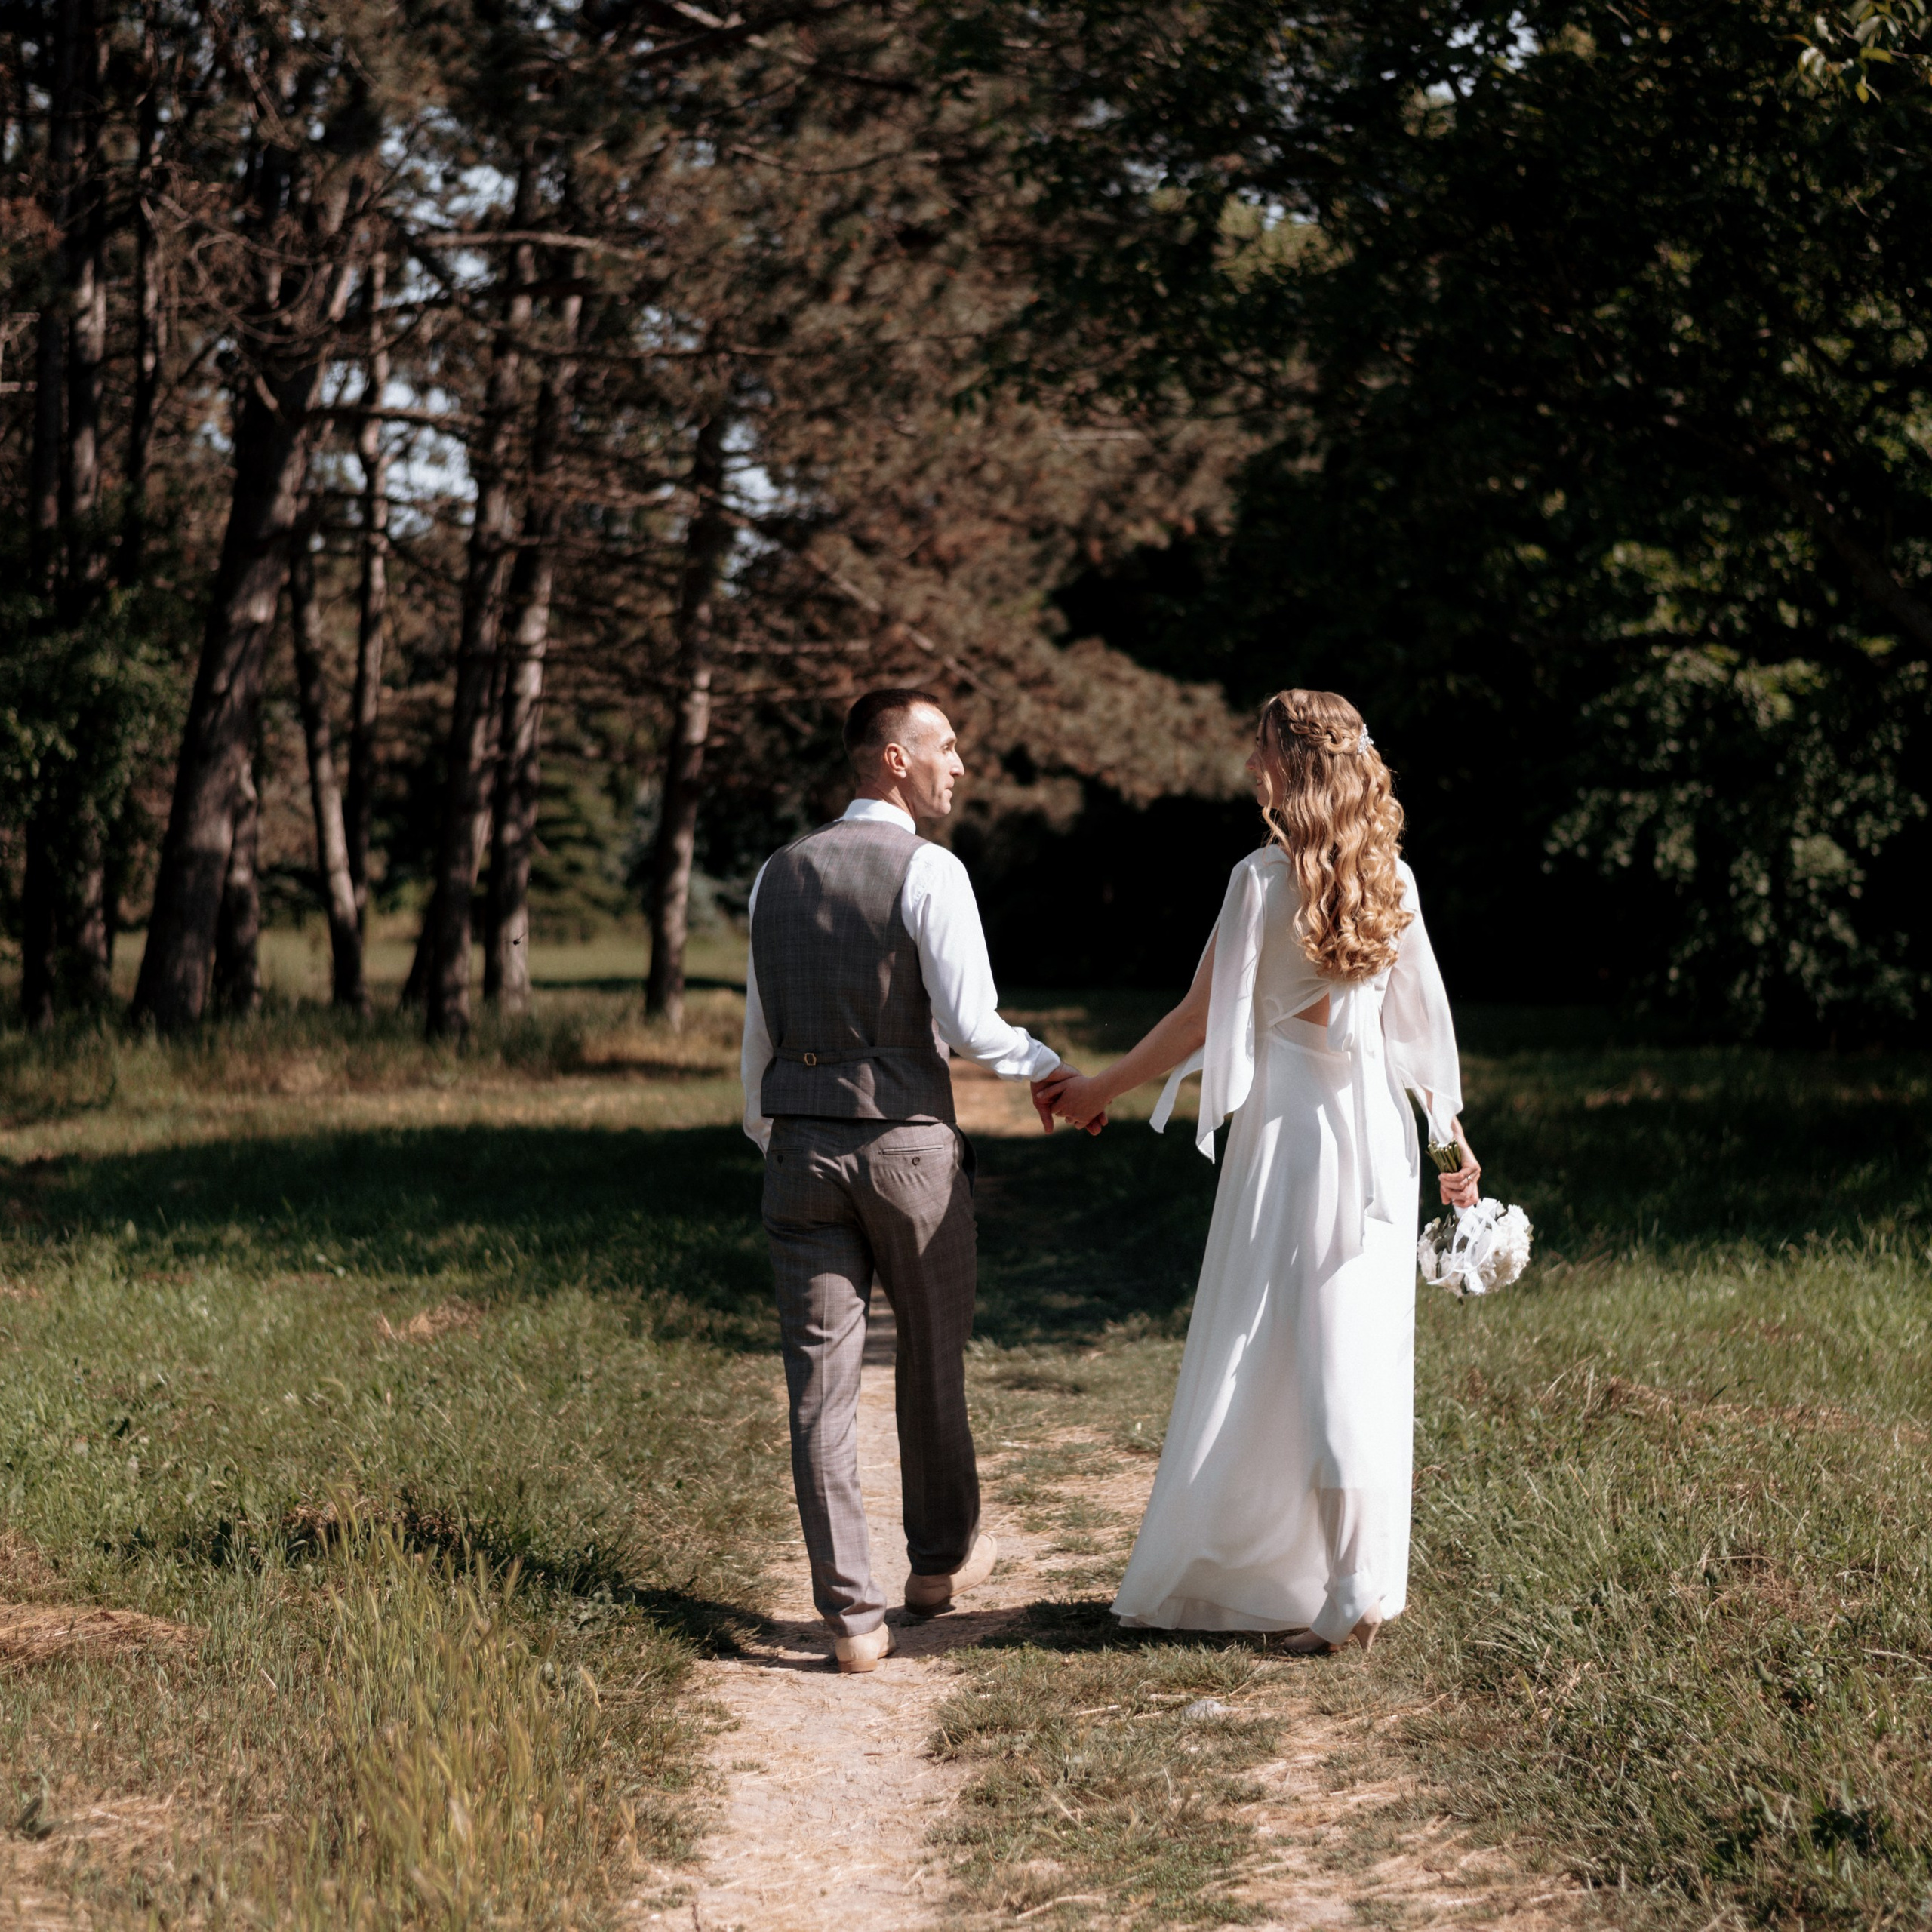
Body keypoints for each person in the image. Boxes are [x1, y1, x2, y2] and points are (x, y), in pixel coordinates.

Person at [1036, 688, 1479, 1654]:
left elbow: (1200, 1018)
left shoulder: (1257, 882)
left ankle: (1349, 1584)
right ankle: (1340, 1572)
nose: (1249, 769)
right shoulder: (1391, 879)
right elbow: (1420, 1035)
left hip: (1291, 1133)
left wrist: (1095, 1088)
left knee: (1295, 1345)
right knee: (1348, 1343)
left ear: (1292, 767)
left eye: (1260, 752)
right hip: (1373, 1133)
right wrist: (1448, 1139)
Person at [740, 688, 1090, 1672]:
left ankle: (851, 1620)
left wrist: (775, 1133)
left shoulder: (776, 874)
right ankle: (933, 1571)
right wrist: (1057, 1071)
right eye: (944, 745)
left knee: (820, 1393)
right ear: (892, 758)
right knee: (933, 1362)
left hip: (799, 1151)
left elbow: (756, 1036)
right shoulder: (930, 871)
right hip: (908, 1153)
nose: (959, 764)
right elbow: (974, 1028)